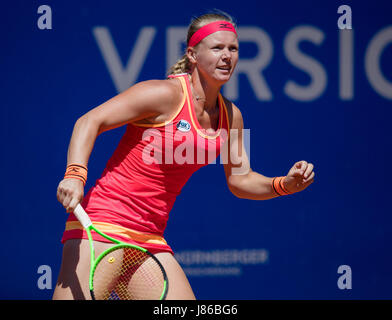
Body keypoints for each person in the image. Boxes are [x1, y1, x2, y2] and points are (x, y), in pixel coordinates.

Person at [53, 11, 315, 300]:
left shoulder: (232, 116)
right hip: (103, 224)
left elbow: (241, 180)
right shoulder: (162, 94)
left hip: (150, 237)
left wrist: (284, 185)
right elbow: (89, 121)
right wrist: (75, 174)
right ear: (193, 54)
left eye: (233, 48)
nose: (227, 56)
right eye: (217, 48)